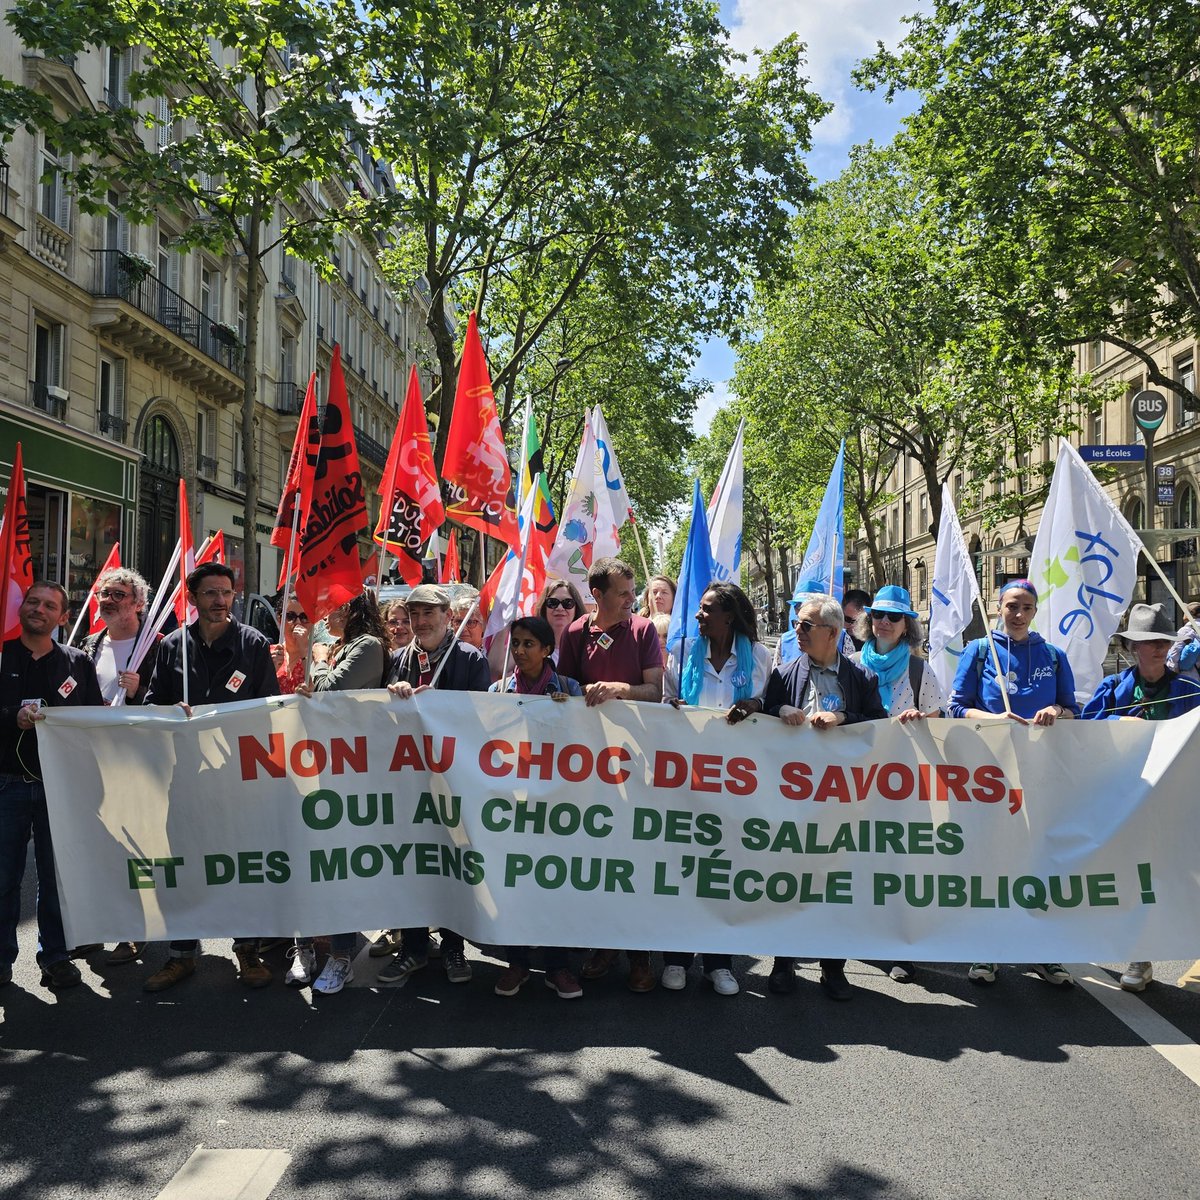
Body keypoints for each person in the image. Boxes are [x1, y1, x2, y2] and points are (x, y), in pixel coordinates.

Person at [141, 562, 280, 992]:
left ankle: (248, 950)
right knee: (185, 864)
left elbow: (270, 711)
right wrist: (169, 713)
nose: (220, 601)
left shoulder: (253, 645)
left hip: (238, 780)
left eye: (226, 593)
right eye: (210, 593)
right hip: (185, 780)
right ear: (193, 597)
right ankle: (181, 955)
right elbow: (151, 704)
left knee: (241, 866)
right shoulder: (172, 647)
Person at [948, 578, 1079, 987]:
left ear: (1035, 611)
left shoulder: (1054, 656)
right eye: (1010, 606)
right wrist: (995, 720)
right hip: (989, 776)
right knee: (994, 861)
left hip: (1041, 776)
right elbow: (956, 707)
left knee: (1039, 861)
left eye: (1025, 607)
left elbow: (1075, 709)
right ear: (998, 608)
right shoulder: (980, 650)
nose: (1017, 614)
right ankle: (987, 949)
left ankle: (1042, 951)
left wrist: (1056, 710)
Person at [760, 593, 888, 1001]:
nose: (797, 631)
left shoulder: (862, 679)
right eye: (796, 623)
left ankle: (834, 968)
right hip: (792, 800)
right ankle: (784, 963)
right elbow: (762, 718)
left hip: (841, 802)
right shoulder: (783, 674)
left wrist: (844, 718)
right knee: (790, 880)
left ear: (832, 633)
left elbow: (878, 725)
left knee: (835, 882)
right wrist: (779, 711)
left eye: (805, 625)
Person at [1081, 602, 1200, 994]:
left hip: (1176, 803)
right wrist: (1119, 722)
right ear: (1132, 646)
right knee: (1137, 877)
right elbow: (1085, 731)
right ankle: (1140, 954)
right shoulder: (1113, 688)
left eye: (1164, 641)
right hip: (1128, 802)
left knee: (1182, 876)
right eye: (1149, 641)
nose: (1158, 648)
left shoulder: (1190, 690)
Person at [557, 557, 664, 990]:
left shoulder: (641, 631)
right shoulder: (576, 634)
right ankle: (604, 943)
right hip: (589, 767)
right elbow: (560, 688)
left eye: (631, 591)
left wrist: (620, 690)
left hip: (636, 765)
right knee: (598, 856)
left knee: (634, 854)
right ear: (597, 595)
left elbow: (655, 691)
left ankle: (639, 953)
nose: (630, 599)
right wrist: (576, 693)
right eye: (622, 592)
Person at [377, 584, 490, 987]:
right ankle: (412, 949)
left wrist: (439, 704)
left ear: (447, 616)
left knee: (453, 863)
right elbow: (375, 717)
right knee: (412, 861)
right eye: (414, 615)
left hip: (453, 781)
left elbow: (480, 719)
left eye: (429, 614)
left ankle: (455, 948)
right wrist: (393, 696)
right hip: (408, 783)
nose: (421, 622)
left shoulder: (472, 659)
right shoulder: (398, 660)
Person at [662, 582, 770, 996]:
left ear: (730, 616)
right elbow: (665, 704)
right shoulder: (681, 654)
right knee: (684, 872)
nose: (698, 616)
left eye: (707, 610)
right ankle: (676, 958)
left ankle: (719, 963)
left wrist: (755, 707)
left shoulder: (760, 657)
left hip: (736, 787)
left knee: (721, 873)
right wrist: (670, 710)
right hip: (687, 783)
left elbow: (768, 707)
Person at [0, 582, 104, 989]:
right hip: (7, 785)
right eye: (33, 602)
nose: (38, 609)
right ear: (21, 608)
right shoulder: (2, 655)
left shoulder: (77, 662)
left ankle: (56, 956)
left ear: (62, 618)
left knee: (57, 875)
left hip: (61, 788)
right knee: (4, 877)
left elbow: (94, 721)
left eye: (49, 605)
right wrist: (14, 717)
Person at [288, 593, 389, 993]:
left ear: (351, 611)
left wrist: (315, 655)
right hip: (311, 764)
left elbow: (328, 690)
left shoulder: (367, 647)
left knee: (338, 864)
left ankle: (342, 956)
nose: (322, 614)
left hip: (345, 770)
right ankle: (304, 947)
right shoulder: (342, 646)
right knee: (306, 859)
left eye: (331, 606)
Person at [849, 584, 945, 983]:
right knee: (859, 859)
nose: (885, 622)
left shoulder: (921, 670)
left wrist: (921, 722)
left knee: (901, 866)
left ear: (907, 626)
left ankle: (901, 946)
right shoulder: (852, 664)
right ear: (869, 621)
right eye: (879, 615)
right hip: (857, 780)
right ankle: (860, 934)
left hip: (905, 785)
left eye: (894, 616)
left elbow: (938, 723)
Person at [488, 615, 584, 999]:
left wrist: (569, 713)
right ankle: (517, 962)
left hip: (558, 806)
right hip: (513, 804)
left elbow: (586, 740)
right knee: (515, 883)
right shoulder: (496, 690)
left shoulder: (569, 688)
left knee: (554, 882)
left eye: (529, 644)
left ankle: (558, 966)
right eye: (516, 644)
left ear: (548, 650)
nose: (521, 651)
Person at [80, 565, 161, 965]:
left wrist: (141, 689)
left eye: (117, 595)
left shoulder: (158, 645)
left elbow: (172, 700)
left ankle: (136, 927)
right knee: (98, 846)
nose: (107, 600)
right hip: (94, 763)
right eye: (104, 594)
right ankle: (97, 923)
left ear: (139, 604)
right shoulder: (88, 644)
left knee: (135, 847)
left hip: (138, 765)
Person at [536, 578, 586, 662]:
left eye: (567, 603)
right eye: (552, 603)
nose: (560, 608)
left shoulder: (588, 647)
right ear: (544, 608)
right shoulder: (531, 646)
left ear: (576, 608)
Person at [271, 595, 309, 695]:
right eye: (290, 616)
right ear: (280, 620)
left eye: (304, 617)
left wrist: (304, 650)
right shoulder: (270, 653)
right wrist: (271, 670)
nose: (298, 622)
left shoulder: (319, 653)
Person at [841, 587, 872, 652]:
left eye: (858, 621)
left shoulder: (874, 643)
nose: (852, 625)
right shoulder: (835, 639)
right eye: (848, 619)